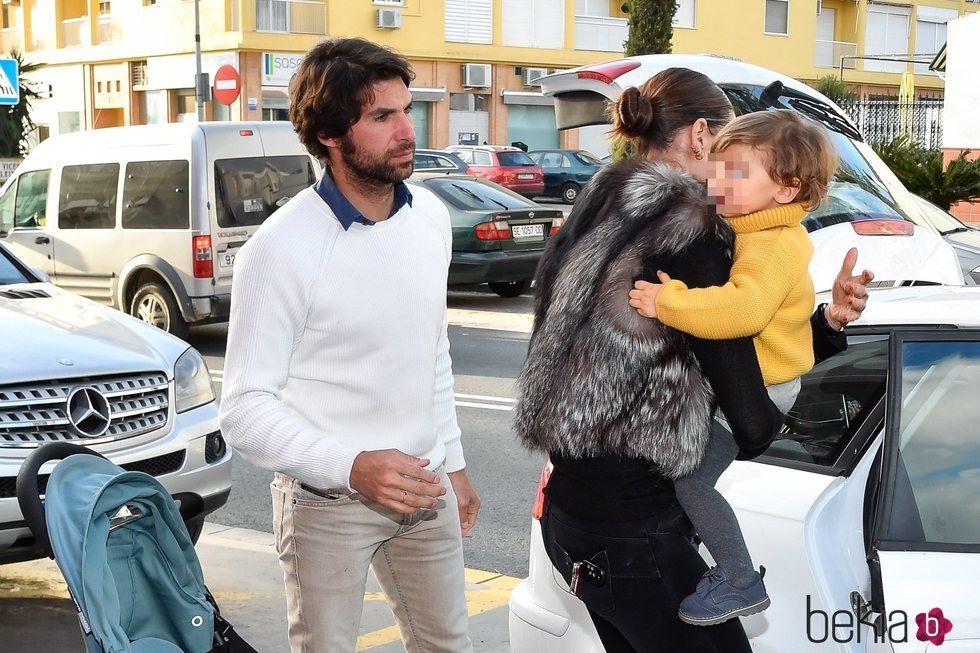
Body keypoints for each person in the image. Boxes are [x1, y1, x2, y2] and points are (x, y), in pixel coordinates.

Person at [514, 67, 872, 653]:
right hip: (635, 525)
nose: (724, 176)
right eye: (728, 153)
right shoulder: (692, 230)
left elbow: (727, 333)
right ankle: (738, 578)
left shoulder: (598, 205)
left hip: (570, 507)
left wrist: (824, 322)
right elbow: (750, 413)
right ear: (702, 136)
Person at [219, 37, 480, 653]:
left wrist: (456, 462)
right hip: (326, 502)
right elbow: (244, 408)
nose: (406, 130)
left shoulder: (430, 219)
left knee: (449, 647)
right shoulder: (279, 248)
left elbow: (430, 353)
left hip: (425, 484)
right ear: (331, 135)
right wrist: (352, 466)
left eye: (407, 110)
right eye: (382, 117)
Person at [626, 109, 838, 626]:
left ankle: (740, 578)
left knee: (694, 484)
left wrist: (667, 302)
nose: (719, 181)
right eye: (718, 168)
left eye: (738, 173)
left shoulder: (770, 244)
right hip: (759, 380)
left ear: (786, 189)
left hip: (764, 388)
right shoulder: (758, 226)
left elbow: (742, 311)